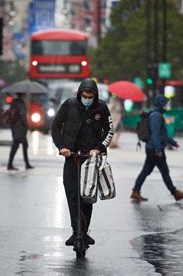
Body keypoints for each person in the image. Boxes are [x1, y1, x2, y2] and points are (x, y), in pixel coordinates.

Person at [51, 78, 114, 247]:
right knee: (72, 195)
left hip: (91, 160)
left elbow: (109, 130)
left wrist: (99, 148)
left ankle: (84, 232)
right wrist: (62, 147)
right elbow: (55, 127)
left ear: (95, 96)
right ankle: (75, 231)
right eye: (85, 95)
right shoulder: (68, 105)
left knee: (87, 196)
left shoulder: (101, 107)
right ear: (79, 94)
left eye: (90, 96)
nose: (87, 98)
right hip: (71, 158)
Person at [131, 94, 183, 202]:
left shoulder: (157, 115)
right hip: (154, 149)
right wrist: (158, 150)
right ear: (161, 104)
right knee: (164, 171)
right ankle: (175, 193)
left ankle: (135, 190)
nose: (167, 106)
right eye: (165, 104)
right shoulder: (156, 116)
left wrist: (173, 142)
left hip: (152, 148)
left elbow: (163, 134)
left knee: (146, 171)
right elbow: (155, 134)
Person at [7, 93, 34, 170]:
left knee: (19, 145)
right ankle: (13, 164)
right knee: (19, 145)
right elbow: (22, 116)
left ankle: (25, 163)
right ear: (22, 95)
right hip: (20, 127)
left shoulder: (14, 103)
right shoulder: (21, 104)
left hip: (14, 126)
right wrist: (27, 125)